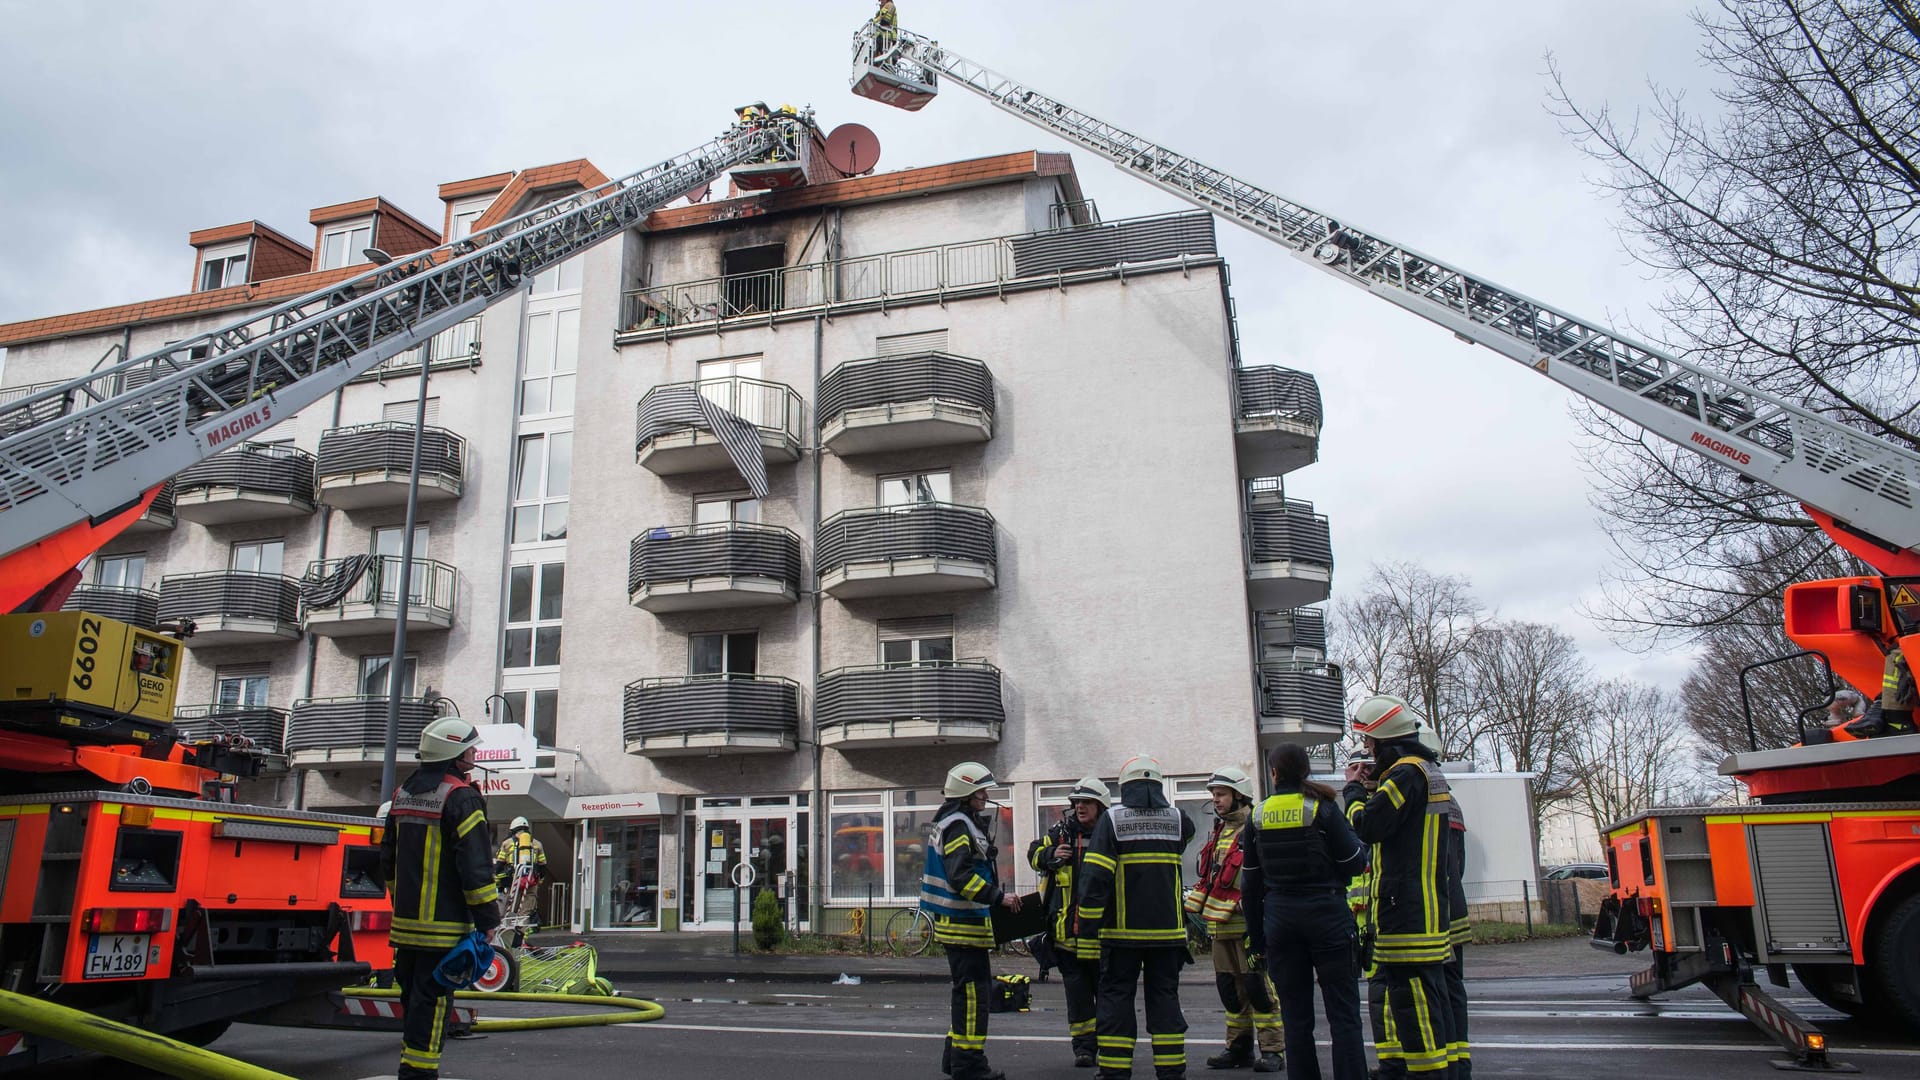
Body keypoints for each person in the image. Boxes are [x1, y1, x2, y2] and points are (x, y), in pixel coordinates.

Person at [379, 715, 502, 1080]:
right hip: (444, 929)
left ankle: (410, 1065)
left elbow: (387, 858)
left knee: (413, 1000)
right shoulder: (461, 798)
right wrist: (488, 920)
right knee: (432, 1004)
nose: (475, 754)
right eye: (469, 749)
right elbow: (476, 865)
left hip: (406, 927)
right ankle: (419, 1073)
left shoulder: (401, 796)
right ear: (454, 754)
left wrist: (400, 904)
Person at [1343, 697, 1456, 1080]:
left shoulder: (1405, 775)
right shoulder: (1425, 771)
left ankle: (1426, 1075)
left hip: (1404, 909)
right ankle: (1437, 1070)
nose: (1370, 752)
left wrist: (1354, 792)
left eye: (1371, 744)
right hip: (1424, 905)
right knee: (1428, 999)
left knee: (1413, 1005)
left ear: (1386, 741)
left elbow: (1369, 827)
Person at [1241, 745, 1369, 1080]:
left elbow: (1250, 887)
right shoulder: (1323, 809)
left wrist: (1257, 942)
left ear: (1274, 773)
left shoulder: (1258, 816)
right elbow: (1355, 861)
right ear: (1305, 772)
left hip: (1280, 921)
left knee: (1296, 1021)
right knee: (1344, 1016)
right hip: (1327, 915)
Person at [1078, 754, 1197, 1080]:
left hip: (1121, 935)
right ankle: (1172, 1070)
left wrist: (1087, 931)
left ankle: (1115, 1071)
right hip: (1168, 935)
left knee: (1116, 999)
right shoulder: (1177, 820)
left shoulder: (1112, 821)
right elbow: (1187, 832)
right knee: (1165, 1000)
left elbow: (1094, 880)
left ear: (1125, 787)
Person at [923, 761, 1022, 1080]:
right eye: (981, 790)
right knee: (973, 998)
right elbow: (960, 876)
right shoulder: (958, 825)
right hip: (963, 925)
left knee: (966, 995)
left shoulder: (957, 821)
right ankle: (970, 1066)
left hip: (963, 925)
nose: (985, 795)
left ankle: (955, 1059)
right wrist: (998, 897)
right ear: (966, 792)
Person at [1187, 766, 1283, 1072]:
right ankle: (1238, 1048)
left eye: (1222, 794)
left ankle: (1272, 1050)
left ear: (1239, 795)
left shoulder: (1256, 826)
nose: (1216, 800)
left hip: (1249, 927)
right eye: (1214, 795)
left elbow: (1269, 873)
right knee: (1230, 990)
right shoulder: (1221, 830)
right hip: (1220, 926)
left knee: (1259, 990)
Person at [1030, 776, 1112, 1068]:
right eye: (1076, 803)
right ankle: (1084, 1048)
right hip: (1066, 935)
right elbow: (1034, 853)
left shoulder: (1111, 834)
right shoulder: (1061, 833)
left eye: (1086, 802)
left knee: (1106, 995)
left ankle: (1110, 1046)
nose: (1080, 808)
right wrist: (1050, 854)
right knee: (1077, 997)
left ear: (1101, 806)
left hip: (1102, 935)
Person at [1419, 726, 1471, 1080]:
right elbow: (1458, 864)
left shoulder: (1423, 798)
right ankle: (1459, 1064)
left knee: (1434, 991)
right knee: (1452, 988)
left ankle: (1445, 1067)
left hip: (1432, 910)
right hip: (1452, 907)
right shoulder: (1449, 799)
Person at [493, 816, 549, 933]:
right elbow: (543, 866)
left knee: (509, 911)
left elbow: (498, 866)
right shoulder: (537, 844)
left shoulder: (507, 843)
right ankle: (523, 938)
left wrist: (499, 883)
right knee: (525, 913)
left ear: (512, 829)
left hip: (513, 883)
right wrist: (538, 882)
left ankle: (507, 937)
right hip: (530, 883)